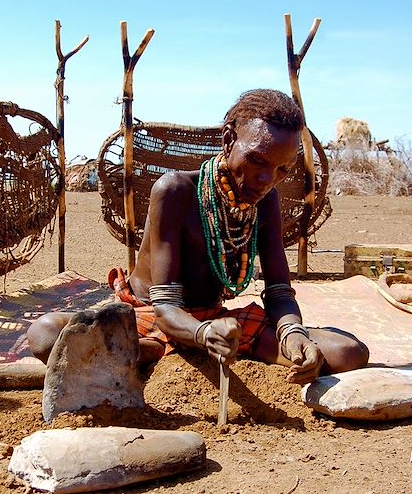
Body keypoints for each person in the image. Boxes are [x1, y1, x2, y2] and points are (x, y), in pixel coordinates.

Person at [29, 89, 368, 384]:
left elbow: (278, 291)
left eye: (282, 169)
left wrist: (292, 334)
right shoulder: (175, 191)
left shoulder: (266, 200)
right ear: (228, 140)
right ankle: (156, 349)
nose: (267, 178)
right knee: (46, 333)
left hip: (213, 319)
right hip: (152, 314)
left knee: (347, 352)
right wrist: (202, 334)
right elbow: (165, 306)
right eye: (256, 160)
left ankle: (149, 355)